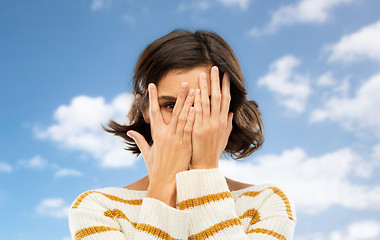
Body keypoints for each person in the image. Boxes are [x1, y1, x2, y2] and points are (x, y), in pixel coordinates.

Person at [68, 29, 296, 240]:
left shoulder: (267, 204)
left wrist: (204, 172)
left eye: (204, 105)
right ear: (144, 109)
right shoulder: (98, 209)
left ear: (228, 111)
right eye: (169, 105)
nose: (187, 119)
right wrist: (162, 192)